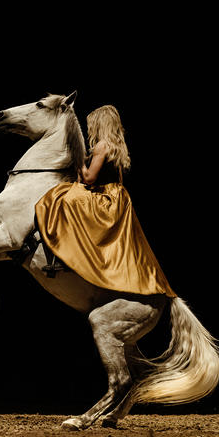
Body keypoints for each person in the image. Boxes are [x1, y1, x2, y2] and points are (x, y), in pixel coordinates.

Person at [35, 104, 176, 297]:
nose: (90, 130)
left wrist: (78, 162)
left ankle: (63, 253)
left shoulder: (102, 146)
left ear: (100, 124)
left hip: (105, 198)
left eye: (92, 125)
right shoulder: (117, 146)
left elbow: (89, 178)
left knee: (63, 198)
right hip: (116, 197)